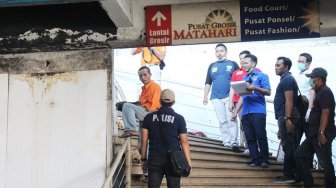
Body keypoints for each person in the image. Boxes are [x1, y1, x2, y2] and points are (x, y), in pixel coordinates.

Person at [141, 89, 192, 188]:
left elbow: (144, 140)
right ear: (173, 102)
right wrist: (188, 161)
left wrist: (143, 159)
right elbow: (184, 141)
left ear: (160, 101)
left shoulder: (148, 117)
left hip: (155, 157)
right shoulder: (179, 118)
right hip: (174, 159)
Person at [295, 67, 335, 188]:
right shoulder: (319, 92)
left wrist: (322, 132)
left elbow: (326, 113)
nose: (310, 81)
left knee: (325, 162)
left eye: (312, 78)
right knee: (299, 155)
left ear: (318, 79)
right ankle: (309, 183)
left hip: (322, 134)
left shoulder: (325, 92)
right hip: (313, 133)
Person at [231, 54, 271, 168]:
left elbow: (268, 92)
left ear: (253, 63)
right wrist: (235, 112)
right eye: (242, 63)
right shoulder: (243, 79)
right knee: (250, 137)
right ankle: (254, 159)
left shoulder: (262, 76)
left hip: (258, 111)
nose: (244, 65)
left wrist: (255, 88)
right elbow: (242, 97)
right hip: (246, 112)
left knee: (260, 135)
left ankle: (264, 160)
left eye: (246, 63)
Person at [203, 43, 239, 150]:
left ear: (226, 52)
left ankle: (234, 142)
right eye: (217, 51)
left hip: (229, 96)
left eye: (221, 51)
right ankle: (226, 141)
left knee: (231, 119)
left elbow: (238, 79)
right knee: (222, 120)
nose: (219, 53)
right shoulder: (212, 65)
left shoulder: (232, 64)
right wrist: (205, 96)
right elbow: (208, 82)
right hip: (215, 97)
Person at [273, 57, 301, 184]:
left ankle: (289, 174)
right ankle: (295, 173)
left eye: (278, 65)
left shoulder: (287, 79)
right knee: (291, 145)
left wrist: (287, 118)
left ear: (286, 67)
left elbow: (289, 100)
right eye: (275, 65)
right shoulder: (286, 79)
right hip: (286, 116)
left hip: (287, 116)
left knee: (289, 146)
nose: (276, 67)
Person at [120, 66, 161, 138]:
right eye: (140, 76)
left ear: (150, 75)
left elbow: (153, 107)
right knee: (141, 143)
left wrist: (134, 106)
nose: (143, 77)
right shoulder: (144, 88)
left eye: (145, 75)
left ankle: (131, 129)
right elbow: (142, 103)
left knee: (127, 106)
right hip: (145, 113)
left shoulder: (155, 86)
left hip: (152, 113)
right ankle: (140, 146)